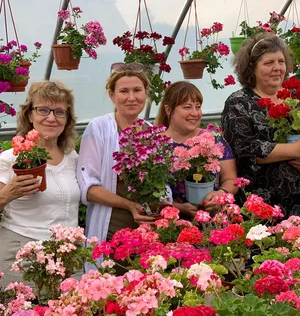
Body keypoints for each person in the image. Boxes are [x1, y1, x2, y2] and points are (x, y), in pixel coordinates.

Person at [0, 81, 80, 286]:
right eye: (43, 110)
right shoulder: (10, 159)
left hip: (68, 255)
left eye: (60, 112)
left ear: (67, 119)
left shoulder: (73, 158)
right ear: (29, 115)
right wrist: (7, 194)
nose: (51, 118)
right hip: (22, 256)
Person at [77, 62, 156, 246]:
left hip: (148, 226)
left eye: (137, 90)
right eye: (124, 91)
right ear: (112, 95)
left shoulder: (152, 132)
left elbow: (161, 182)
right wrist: (129, 205)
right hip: (112, 226)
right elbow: (88, 187)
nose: (131, 97)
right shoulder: (99, 127)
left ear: (146, 93)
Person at [221, 33, 300, 217]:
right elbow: (246, 149)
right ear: (252, 68)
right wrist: (295, 150)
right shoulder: (239, 102)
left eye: (281, 61)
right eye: (268, 63)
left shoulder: (295, 97)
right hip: (261, 207)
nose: (277, 68)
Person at [155, 81, 238, 218]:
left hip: (211, 221)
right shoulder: (156, 145)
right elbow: (147, 195)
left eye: (198, 107)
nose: (194, 113)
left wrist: (220, 194)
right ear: (168, 110)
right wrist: (177, 207)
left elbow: (231, 179)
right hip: (169, 223)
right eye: (187, 107)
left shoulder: (214, 140)